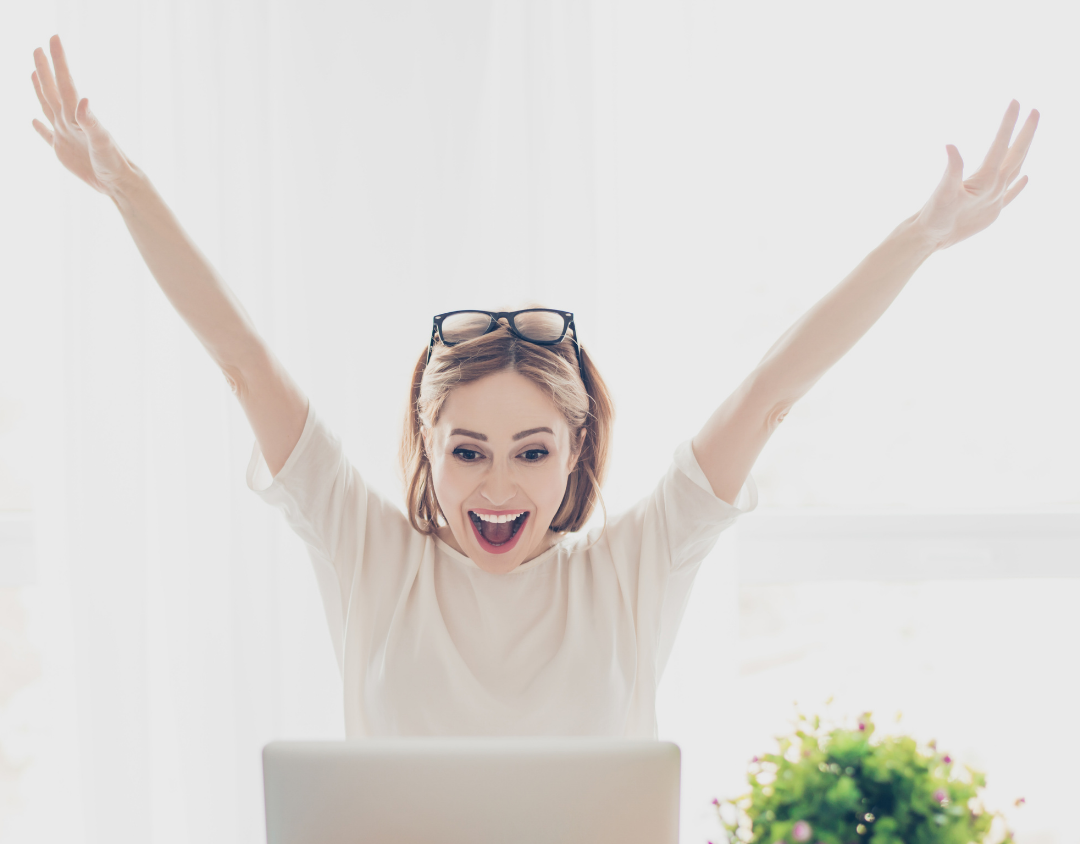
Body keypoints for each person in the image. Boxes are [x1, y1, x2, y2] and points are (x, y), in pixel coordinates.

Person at [31, 35, 1039, 738]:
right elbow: (241, 356)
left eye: (531, 451)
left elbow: (769, 394)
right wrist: (122, 182)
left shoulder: (637, 567)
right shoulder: (367, 551)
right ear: (426, 448)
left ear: (576, 453)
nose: (498, 488)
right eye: (467, 451)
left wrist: (923, 237)